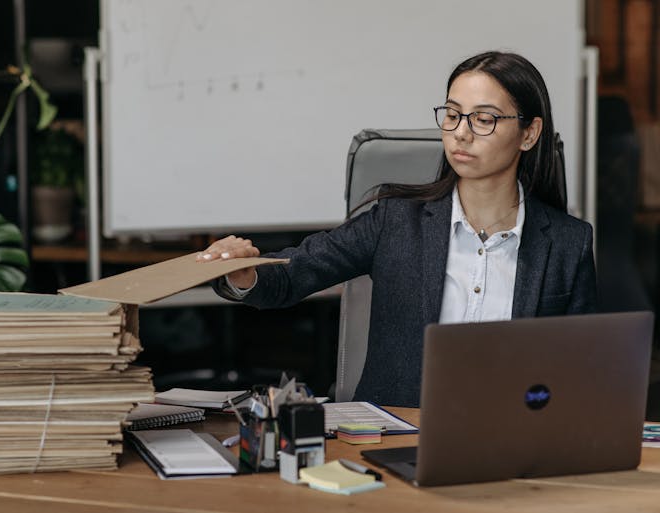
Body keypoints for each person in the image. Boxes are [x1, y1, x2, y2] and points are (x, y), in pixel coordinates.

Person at [197, 51, 597, 407]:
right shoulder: (396, 221)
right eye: (454, 114)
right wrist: (244, 274)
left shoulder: (567, 243)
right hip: (398, 439)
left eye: (484, 119)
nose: (460, 132)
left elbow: (581, 370)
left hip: (513, 441)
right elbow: (291, 275)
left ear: (529, 133)